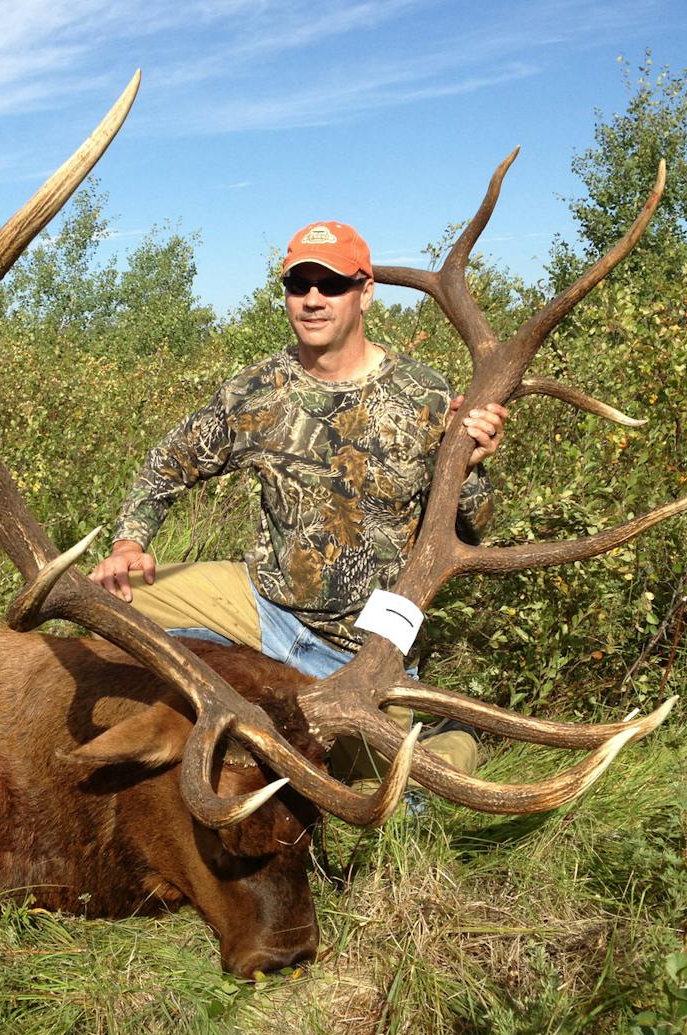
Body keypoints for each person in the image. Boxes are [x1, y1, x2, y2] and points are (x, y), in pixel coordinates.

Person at [89, 221, 507, 776]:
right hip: (264, 612)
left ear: (366, 292)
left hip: (366, 649)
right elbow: (171, 460)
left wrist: (471, 466)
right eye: (299, 285)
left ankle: (443, 728)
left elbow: (474, 528)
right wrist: (128, 544)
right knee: (106, 604)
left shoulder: (423, 393)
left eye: (331, 285)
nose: (313, 300)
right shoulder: (257, 389)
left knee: (406, 788)